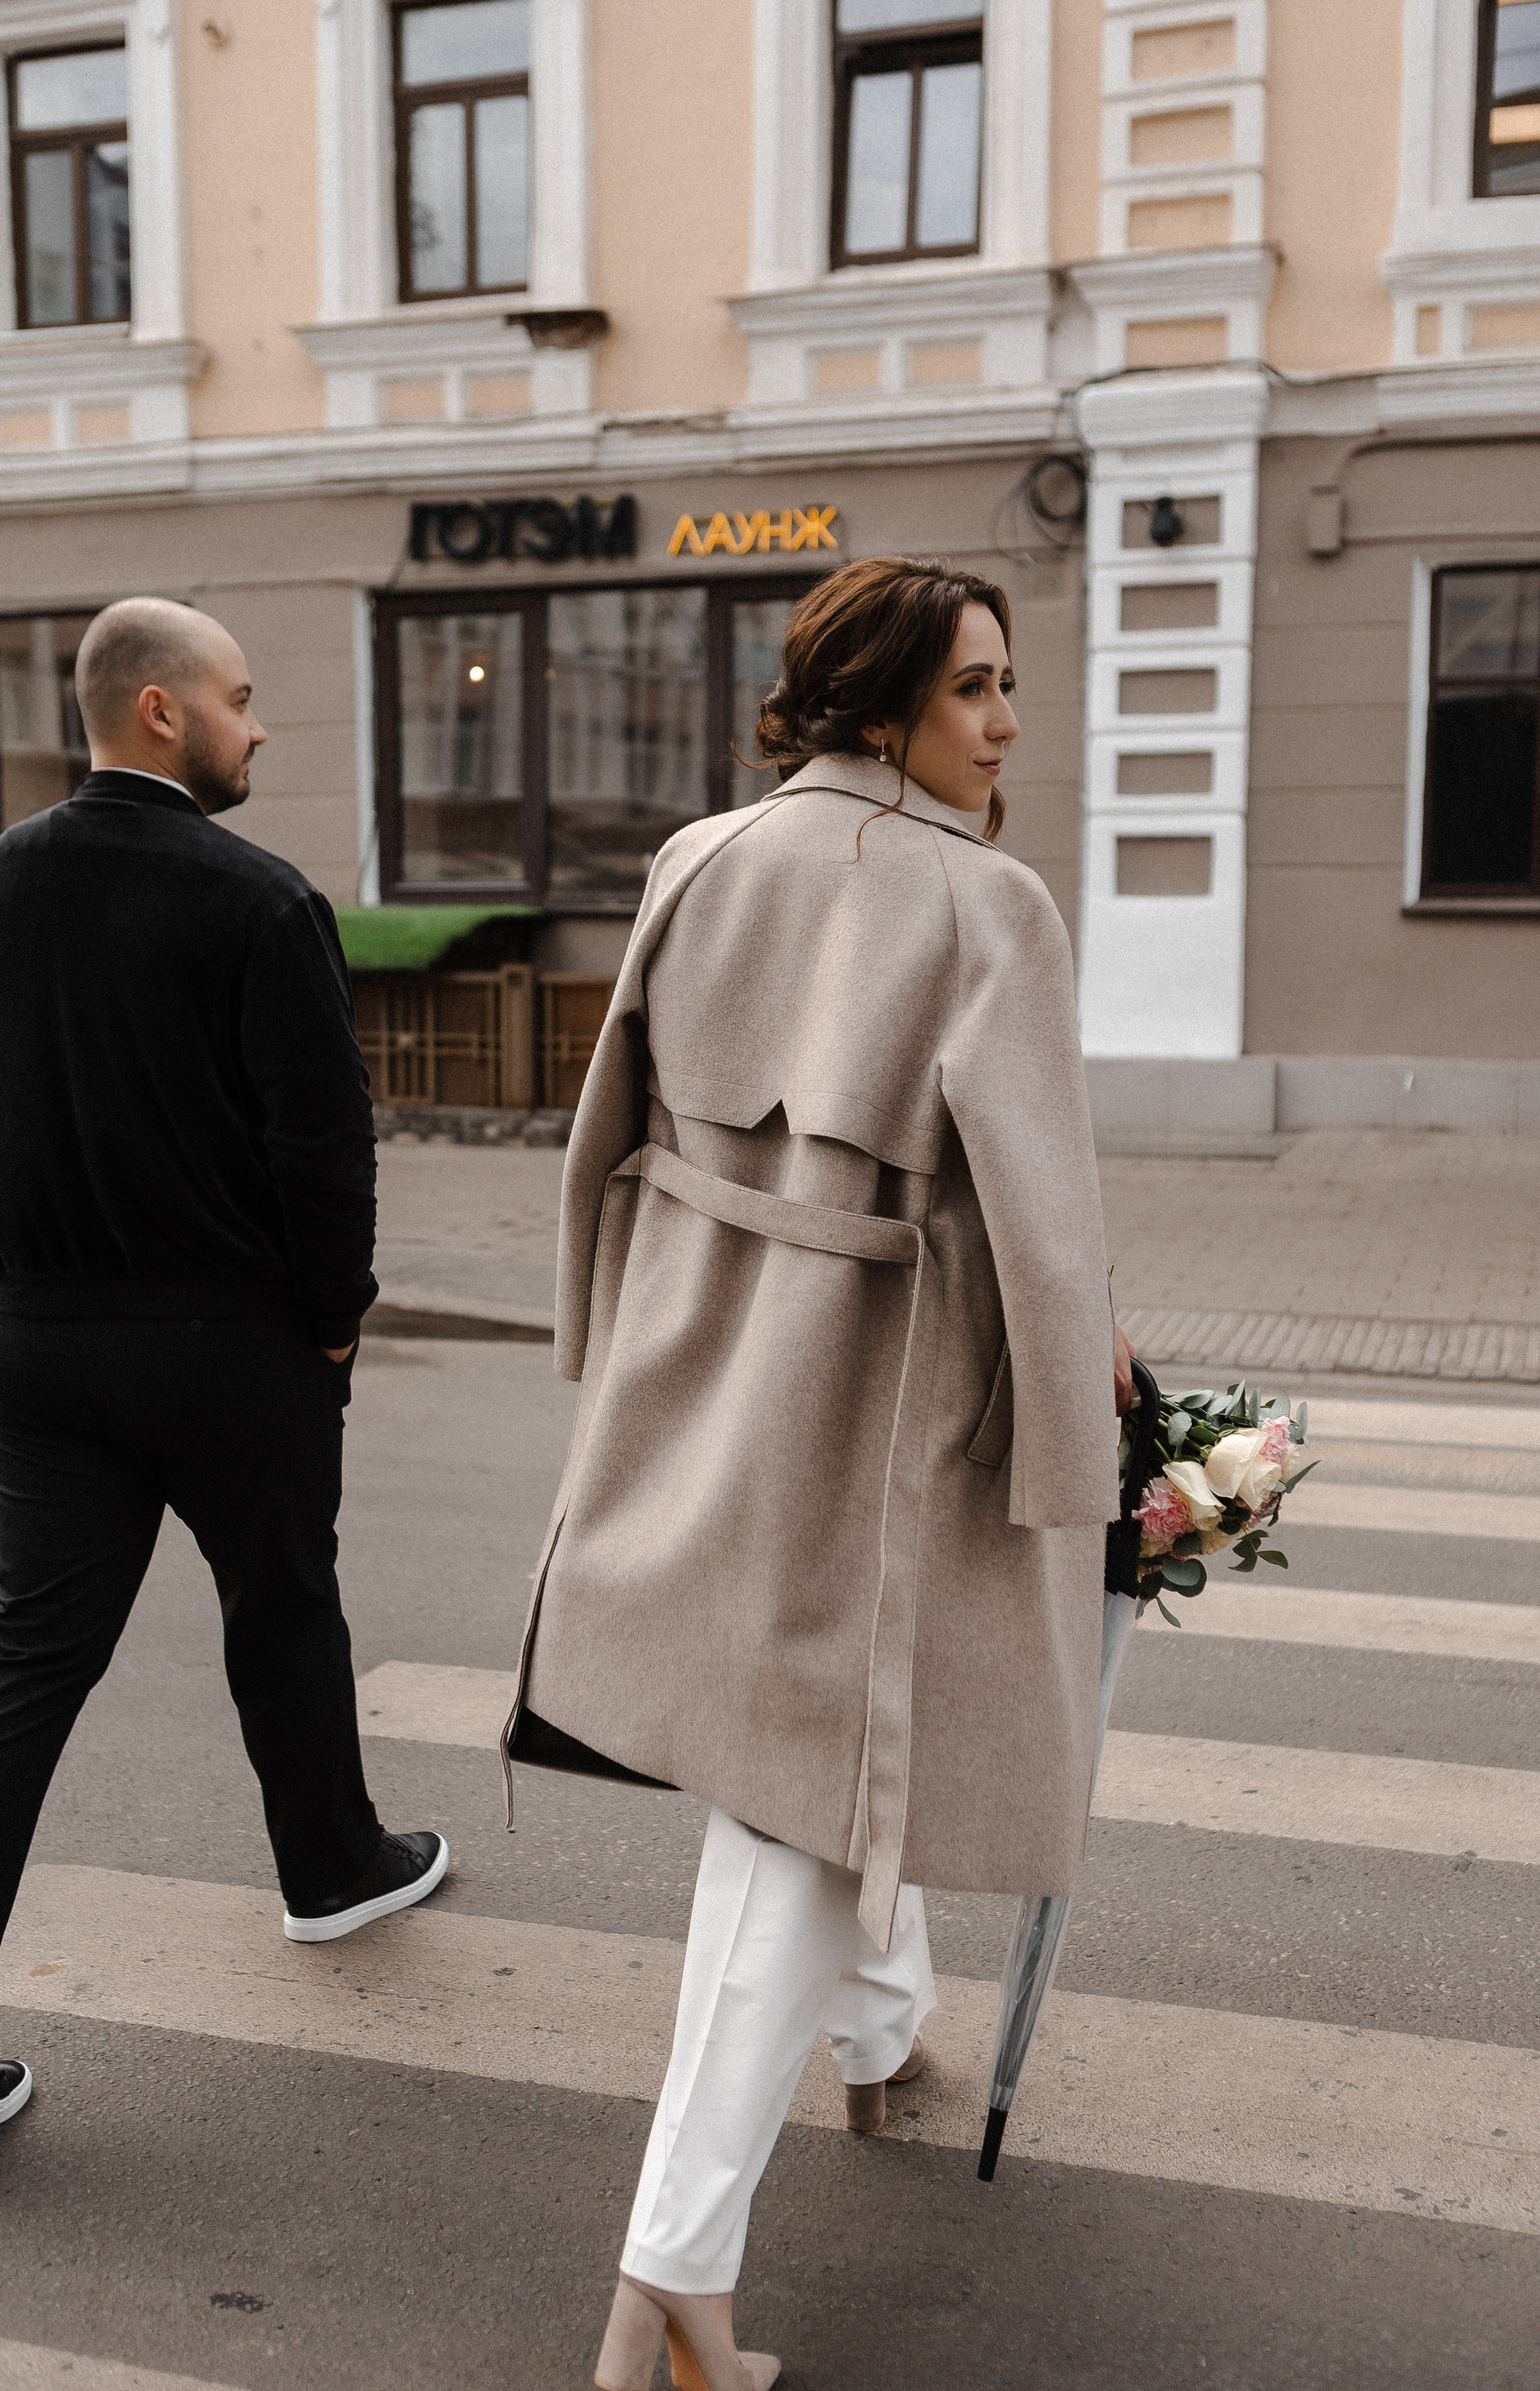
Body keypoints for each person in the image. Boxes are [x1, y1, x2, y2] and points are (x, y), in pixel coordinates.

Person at [500, 555, 1136, 2389]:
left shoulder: (700, 858)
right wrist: (1087, 1452)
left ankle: (880, 2033)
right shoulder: (988, 905)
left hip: (704, 1355)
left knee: (805, 1725)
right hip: (873, 1393)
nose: (1008, 725)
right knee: (815, 1755)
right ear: (880, 707)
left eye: (1008, 686)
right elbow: (1044, 1218)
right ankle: (670, 2292)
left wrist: (604, 1338)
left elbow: (603, 1134)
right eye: (976, 691)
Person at [0, 597, 448, 2136]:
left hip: (38, 1349)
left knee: (23, 1671)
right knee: (283, 1605)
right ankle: (331, 1870)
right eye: (242, 700)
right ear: (160, 716)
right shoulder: (255, 901)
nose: (261, 727)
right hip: (230, 1347)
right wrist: (336, 1313)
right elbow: (321, 1146)